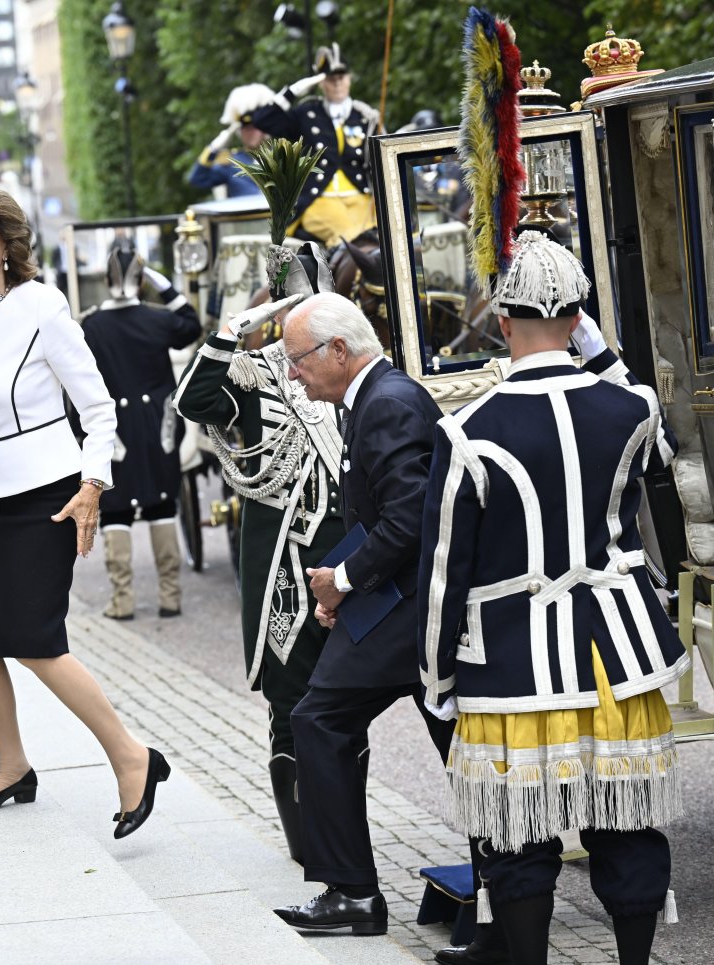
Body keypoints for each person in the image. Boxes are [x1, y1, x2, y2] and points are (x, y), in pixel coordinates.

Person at [418, 230, 685, 965]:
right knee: (626, 826)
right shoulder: (630, 409)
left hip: (512, 661)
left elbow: (445, 570)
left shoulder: (466, 429)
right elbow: (654, 446)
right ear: (578, 319)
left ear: (503, 323)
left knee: (517, 838)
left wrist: (437, 680)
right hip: (615, 657)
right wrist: (598, 352)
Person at [0, 182, 169, 839]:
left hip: (51, 489)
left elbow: (99, 408)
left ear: (4, 243)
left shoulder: (44, 306)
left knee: (35, 638)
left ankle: (133, 756)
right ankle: (13, 764)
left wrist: (94, 484)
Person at [272, 291, 460, 936]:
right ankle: (506, 875)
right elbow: (388, 515)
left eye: (297, 360)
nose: (292, 374)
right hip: (398, 607)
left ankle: (354, 895)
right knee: (455, 741)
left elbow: (411, 518)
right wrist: (343, 586)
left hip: (408, 614)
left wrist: (347, 579)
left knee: (319, 721)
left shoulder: (385, 405)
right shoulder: (377, 398)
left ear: (338, 351)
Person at [174, 266, 343, 865]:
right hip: (288, 576)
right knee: (291, 708)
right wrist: (228, 335)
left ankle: (347, 839)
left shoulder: (358, 369)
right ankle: (312, 849)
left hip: (360, 566)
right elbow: (192, 400)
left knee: (354, 709)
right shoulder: (256, 372)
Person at [81, 241, 201, 620]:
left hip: (113, 430)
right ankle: (170, 596)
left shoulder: (92, 325)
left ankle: (123, 599)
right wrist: (166, 287)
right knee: (163, 503)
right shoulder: (157, 318)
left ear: (105, 278)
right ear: (143, 281)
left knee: (115, 509)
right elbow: (192, 326)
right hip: (158, 426)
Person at [248, 44, 382, 247]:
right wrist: (293, 91)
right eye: (330, 79)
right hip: (319, 200)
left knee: (385, 237)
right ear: (321, 83)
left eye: (341, 77)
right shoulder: (307, 115)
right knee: (351, 236)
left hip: (361, 197)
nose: (337, 84)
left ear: (349, 79)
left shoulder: (365, 117)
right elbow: (263, 120)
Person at [187, 84, 273, 198]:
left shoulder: (281, 157)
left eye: (255, 127)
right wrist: (213, 149)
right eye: (245, 128)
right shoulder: (232, 163)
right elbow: (198, 179)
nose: (250, 132)